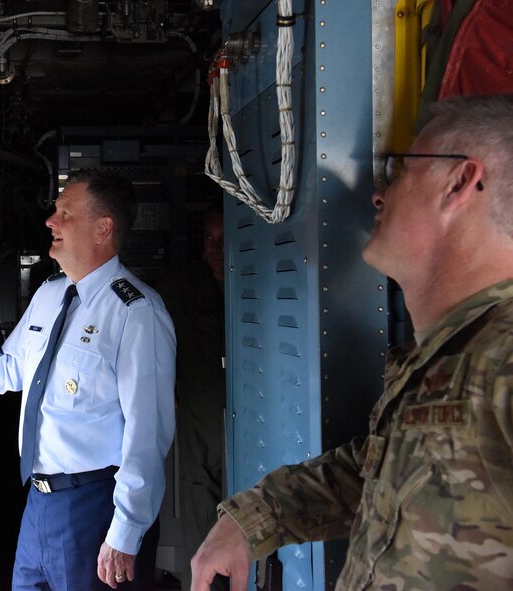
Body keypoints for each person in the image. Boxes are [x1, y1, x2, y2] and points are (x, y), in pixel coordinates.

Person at [191, 93, 513, 591]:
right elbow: (386, 472)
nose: (379, 194)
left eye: (400, 170)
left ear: (460, 182)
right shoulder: (454, 354)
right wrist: (252, 519)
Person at [0, 169, 176, 590]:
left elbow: (149, 434)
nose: (51, 221)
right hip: (39, 501)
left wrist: (125, 532)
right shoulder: (50, 294)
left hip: (96, 506)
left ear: (103, 228)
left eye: (65, 212)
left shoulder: (136, 312)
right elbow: (6, 372)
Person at [156, 206, 226, 591]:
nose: (215, 249)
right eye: (209, 239)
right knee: (196, 499)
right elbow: (148, 337)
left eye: (223, 240)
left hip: (241, 420)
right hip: (195, 417)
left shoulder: (251, 285)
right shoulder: (180, 288)